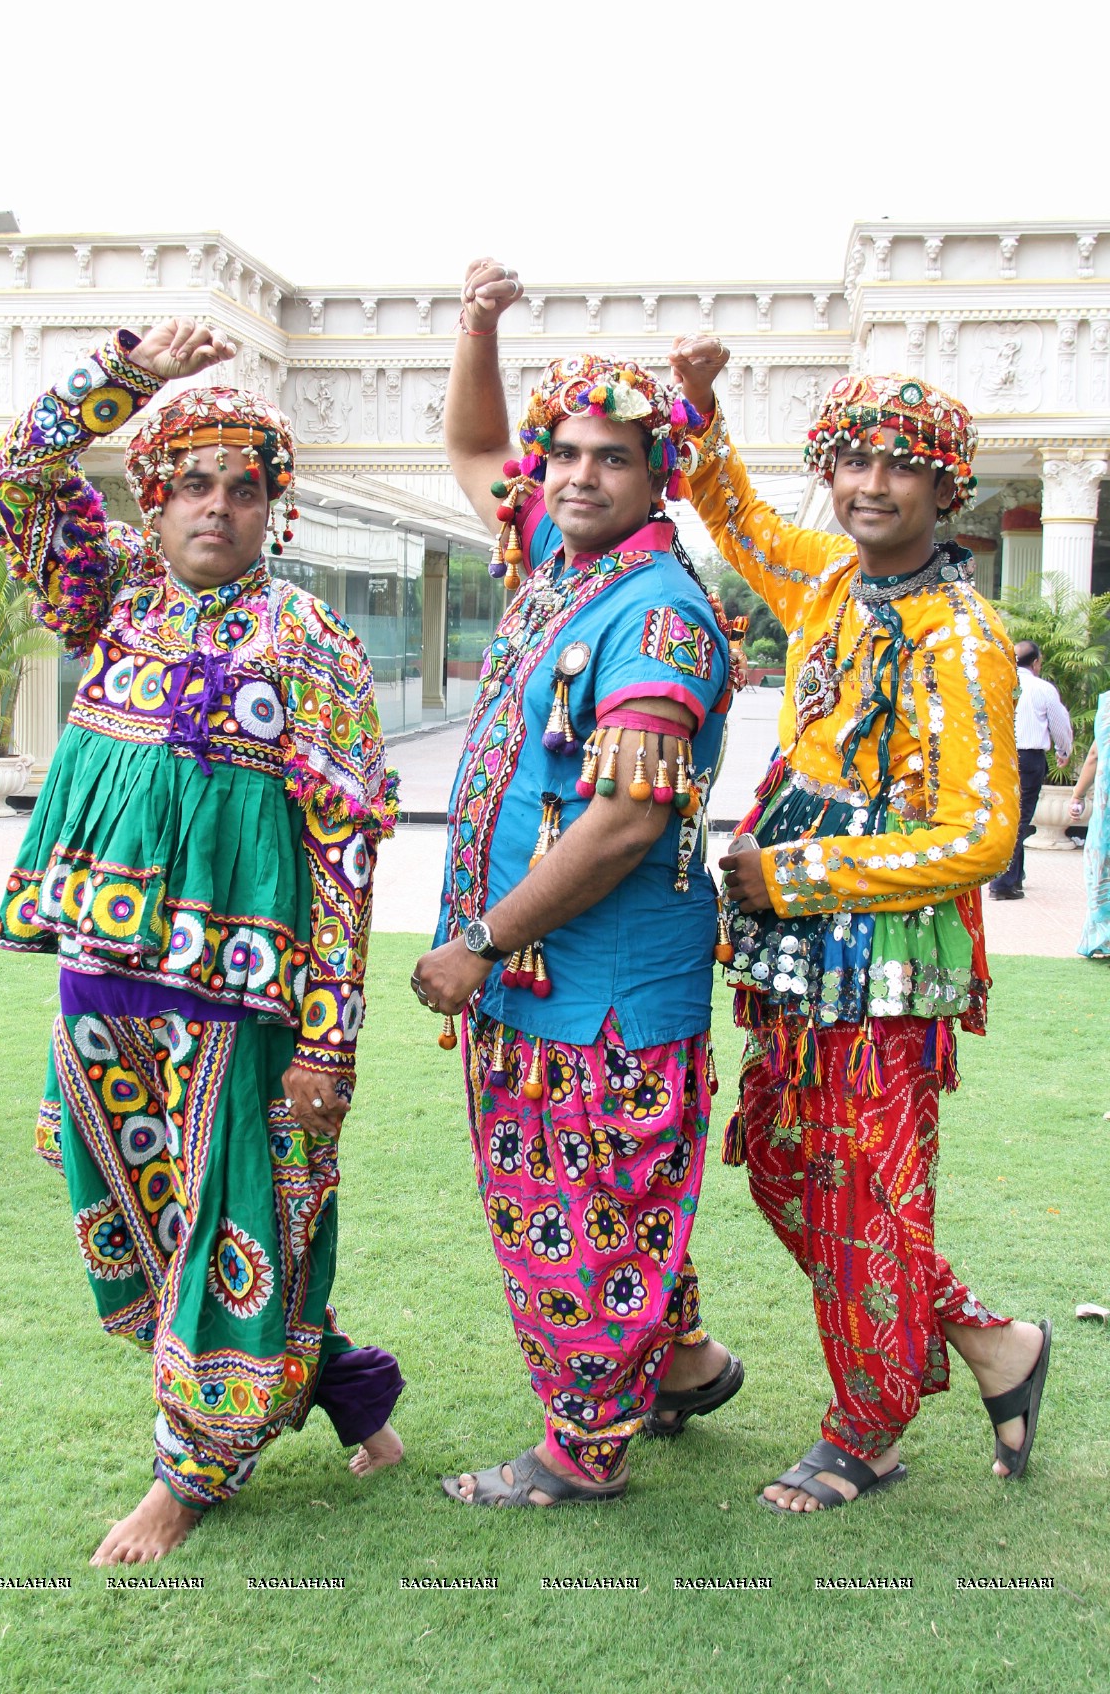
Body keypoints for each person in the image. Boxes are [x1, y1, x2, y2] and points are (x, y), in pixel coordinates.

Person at [0, 320, 403, 1564]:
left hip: (238, 1010)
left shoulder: (312, 645)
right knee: (166, 1228)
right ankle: (351, 1391)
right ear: (151, 502)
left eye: (246, 487)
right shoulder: (106, 597)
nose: (219, 506)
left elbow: (346, 854)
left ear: (273, 510)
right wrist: (132, 380)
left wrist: (330, 1039)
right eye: (192, 484)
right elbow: (15, 471)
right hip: (98, 989)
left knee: (234, 1230)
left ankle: (189, 1477)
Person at [668, 344, 1051, 1513]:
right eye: (852, 461)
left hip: (884, 957)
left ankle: (869, 1430)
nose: (871, 484)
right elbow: (730, 515)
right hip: (798, 954)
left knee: (867, 1190)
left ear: (948, 490)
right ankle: (993, 1345)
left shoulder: (961, 637)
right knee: (786, 1169)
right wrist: (706, 413)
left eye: (902, 465)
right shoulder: (829, 585)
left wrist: (797, 872)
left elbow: (982, 834)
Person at [412, 261, 744, 1506]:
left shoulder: (656, 612)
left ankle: (580, 1451)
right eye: (565, 456)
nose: (573, 475)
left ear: (662, 477)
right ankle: (683, 1365)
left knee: (583, 1198)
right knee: (615, 1192)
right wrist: (478, 327)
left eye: (610, 457)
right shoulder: (560, 557)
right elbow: (473, 444)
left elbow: (620, 824)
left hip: (589, 987)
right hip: (546, 984)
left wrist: (482, 943)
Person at [988, 640, 1073, 900]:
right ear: (1035, 662)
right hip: (1028, 758)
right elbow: (1060, 724)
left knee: (1003, 813)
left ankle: (1015, 875)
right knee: (1020, 817)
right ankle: (1002, 883)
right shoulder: (1041, 688)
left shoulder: (996, 683)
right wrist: (1063, 751)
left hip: (996, 757)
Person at [1070, 689, 1110, 958]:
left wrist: (1077, 795)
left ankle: (1103, 936)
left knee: (1103, 866)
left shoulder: (1107, 704)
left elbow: (1095, 752)